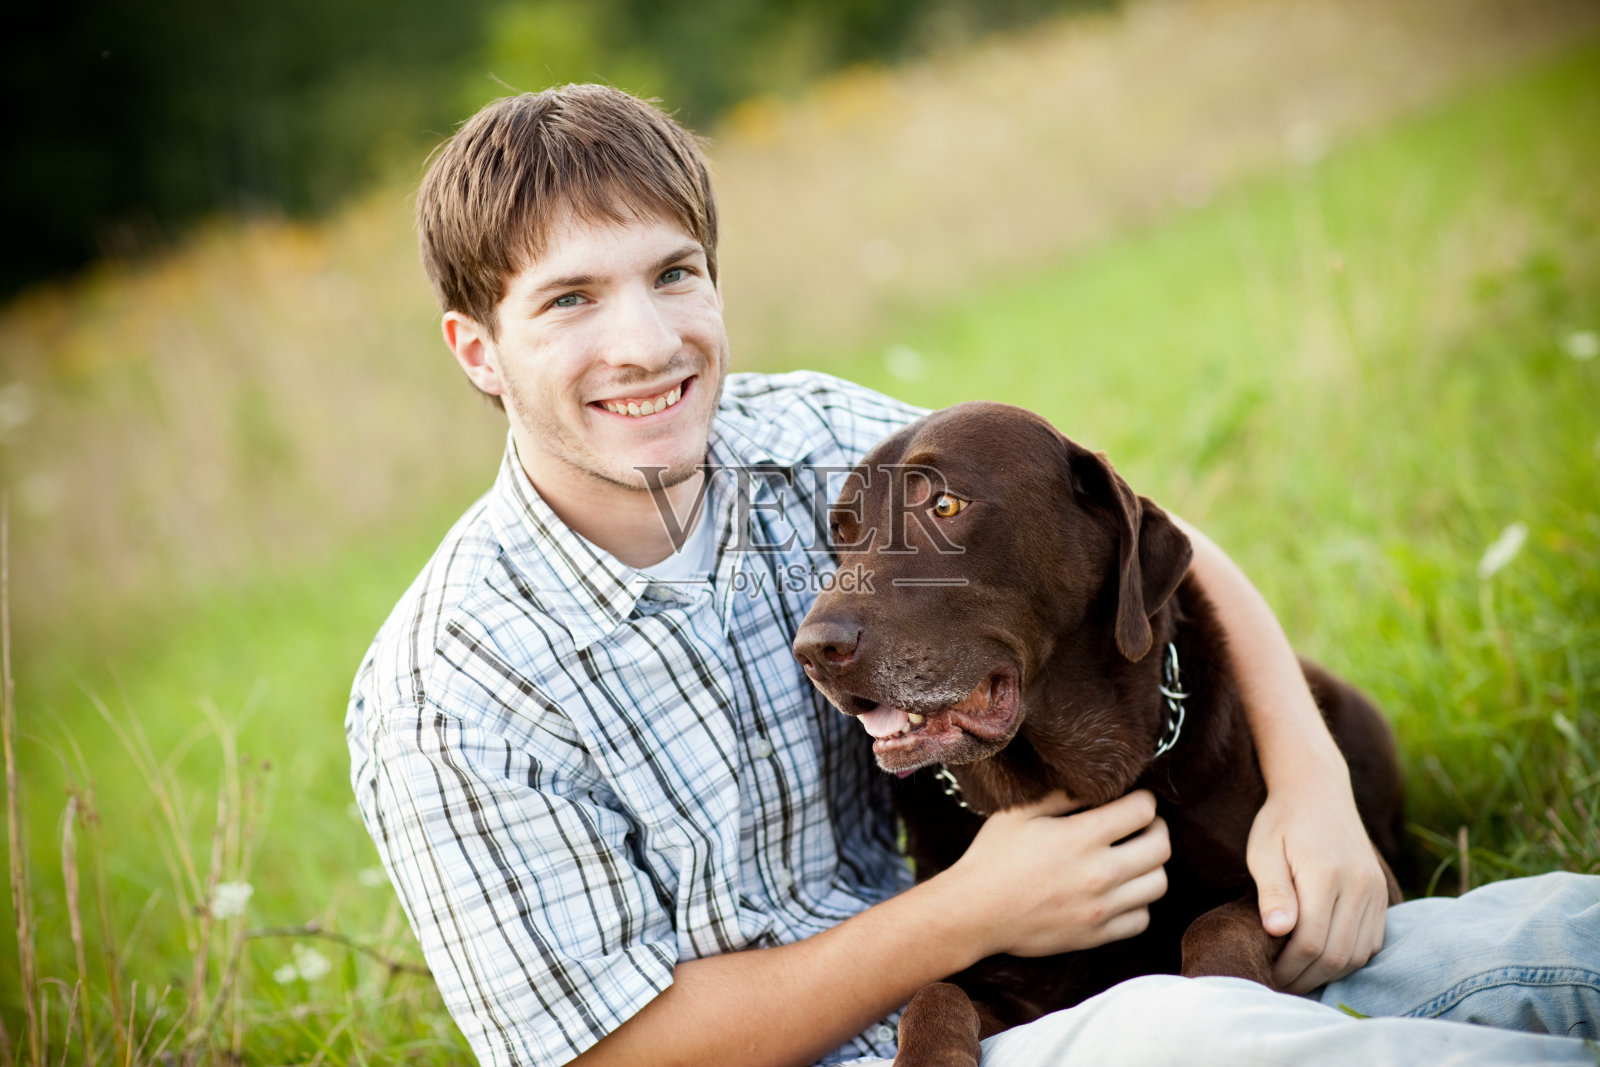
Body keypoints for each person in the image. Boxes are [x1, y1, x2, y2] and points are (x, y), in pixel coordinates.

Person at [346, 84, 1600, 1066]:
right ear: (477, 351)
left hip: (1035, 980)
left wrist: (1312, 782)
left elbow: (1128, 528)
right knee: (1200, 1033)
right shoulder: (455, 688)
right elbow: (613, 1051)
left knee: (1545, 932)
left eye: (673, 274)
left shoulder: (808, 450)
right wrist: (968, 914)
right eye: (569, 301)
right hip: (900, 1033)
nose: (646, 341)